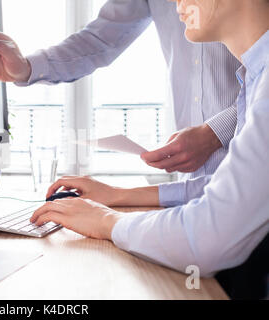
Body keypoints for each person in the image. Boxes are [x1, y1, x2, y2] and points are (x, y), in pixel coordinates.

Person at [28, 0, 269, 294]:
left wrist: (106, 221)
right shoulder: (255, 76)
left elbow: (208, 238)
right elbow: (231, 189)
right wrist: (117, 196)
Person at [0, 0, 241, 183]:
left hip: (254, 167)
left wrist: (216, 132)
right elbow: (100, 40)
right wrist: (25, 67)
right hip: (193, 180)